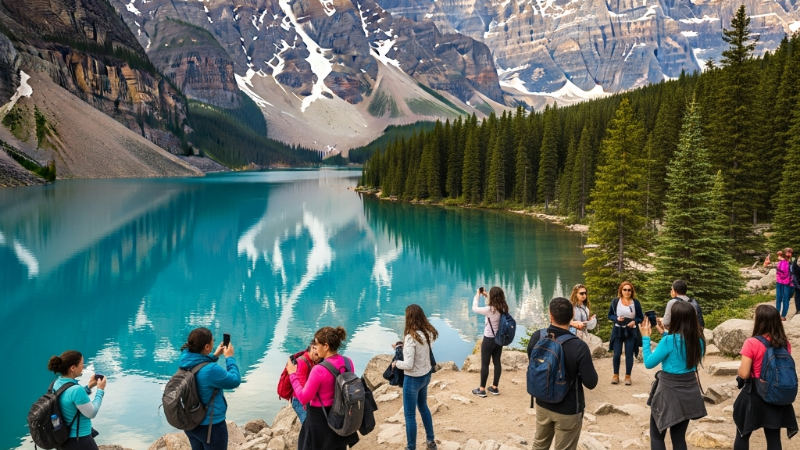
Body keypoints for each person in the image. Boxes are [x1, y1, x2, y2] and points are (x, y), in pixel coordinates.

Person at [528, 297, 598, 450]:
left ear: (550, 315)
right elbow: (591, 383)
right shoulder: (578, 346)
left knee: (539, 444)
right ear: (572, 316)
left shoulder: (537, 337)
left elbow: (533, 365)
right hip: (569, 408)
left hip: (542, 402)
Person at [641, 301, 707, 450]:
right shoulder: (699, 340)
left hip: (668, 392)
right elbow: (682, 348)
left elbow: (649, 363)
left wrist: (645, 338)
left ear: (675, 318)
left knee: (657, 436)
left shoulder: (668, 341)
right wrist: (664, 332)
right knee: (678, 439)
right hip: (689, 390)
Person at [733, 305, 798, 449]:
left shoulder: (752, 342)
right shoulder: (784, 343)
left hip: (754, 395)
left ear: (759, 321)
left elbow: (744, 373)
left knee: (743, 433)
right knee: (773, 437)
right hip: (775, 394)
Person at [287, 326, 359, 450]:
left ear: (325, 346)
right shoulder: (348, 362)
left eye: (317, 343)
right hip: (340, 418)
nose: (314, 346)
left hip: (320, 419)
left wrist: (292, 375)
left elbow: (304, 398)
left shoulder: (319, 370)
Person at [179, 327, 241, 450]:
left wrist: (215, 355)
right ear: (207, 346)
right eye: (213, 341)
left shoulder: (185, 359)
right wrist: (229, 358)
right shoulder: (211, 369)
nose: (214, 343)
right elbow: (234, 380)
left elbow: (199, 364)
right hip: (211, 427)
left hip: (191, 423)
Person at [393, 304, 438, 450]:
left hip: (413, 379)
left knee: (410, 415)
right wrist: (401, 346)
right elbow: (421, 353)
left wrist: (396, 363)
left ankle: (411, 447)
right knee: (423, 407)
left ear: (409, 318)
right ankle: (430, 441)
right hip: (426, 376)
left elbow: (408, 364)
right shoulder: (427, 334)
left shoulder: (411, 337)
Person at [46, 350, 106, 450]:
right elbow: (92, 413)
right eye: (82, 363)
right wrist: (100, 390)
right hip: (80, 440)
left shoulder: (55, 384)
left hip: (61, 438)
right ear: (73, 368)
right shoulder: (76, 390)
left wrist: (89, 387)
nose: (83, 366)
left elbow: (68, 399)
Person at [471, 286, 509, 397]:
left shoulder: (489, 310)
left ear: (492, 297)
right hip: (499, 339)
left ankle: (482, 390)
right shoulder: (503, 308)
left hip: (488, 339)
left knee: (485, 364)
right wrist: (486, 295)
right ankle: (494, 388)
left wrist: (478, 295)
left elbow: (474, 308)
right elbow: (496, 302)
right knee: (497, 362)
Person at [607, 281, 644, 385]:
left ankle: (628, 376)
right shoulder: (615, 301)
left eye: (629, 290)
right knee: (617, 353)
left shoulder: (635, 302)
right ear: (621, 290)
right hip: (618, 330)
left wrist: (635, 321)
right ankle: (615, 375)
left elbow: (640, 317)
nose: (627, 292)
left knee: (629, 354)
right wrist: (616, 318)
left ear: (631, 291)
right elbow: (610, 315)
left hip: (631, 330)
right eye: (625, 290)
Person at [291, 340, 322, 423]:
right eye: (316, 355)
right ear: (312, 347)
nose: (318, 358)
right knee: (307, 424)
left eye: (320, 356)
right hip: (299, 401)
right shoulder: (302, 362)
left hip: (307, 399)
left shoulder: (313, 361)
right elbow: (302, 386)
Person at [776, 249, 793, 320]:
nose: (789, 253)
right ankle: (781, 315)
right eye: (788, 252)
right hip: (783, 282)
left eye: (790, 252)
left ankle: (781, 315)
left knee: (782, 299)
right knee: (782, 299)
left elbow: (784, 273)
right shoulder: (788, 261)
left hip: (785, 283)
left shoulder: (785, 262)